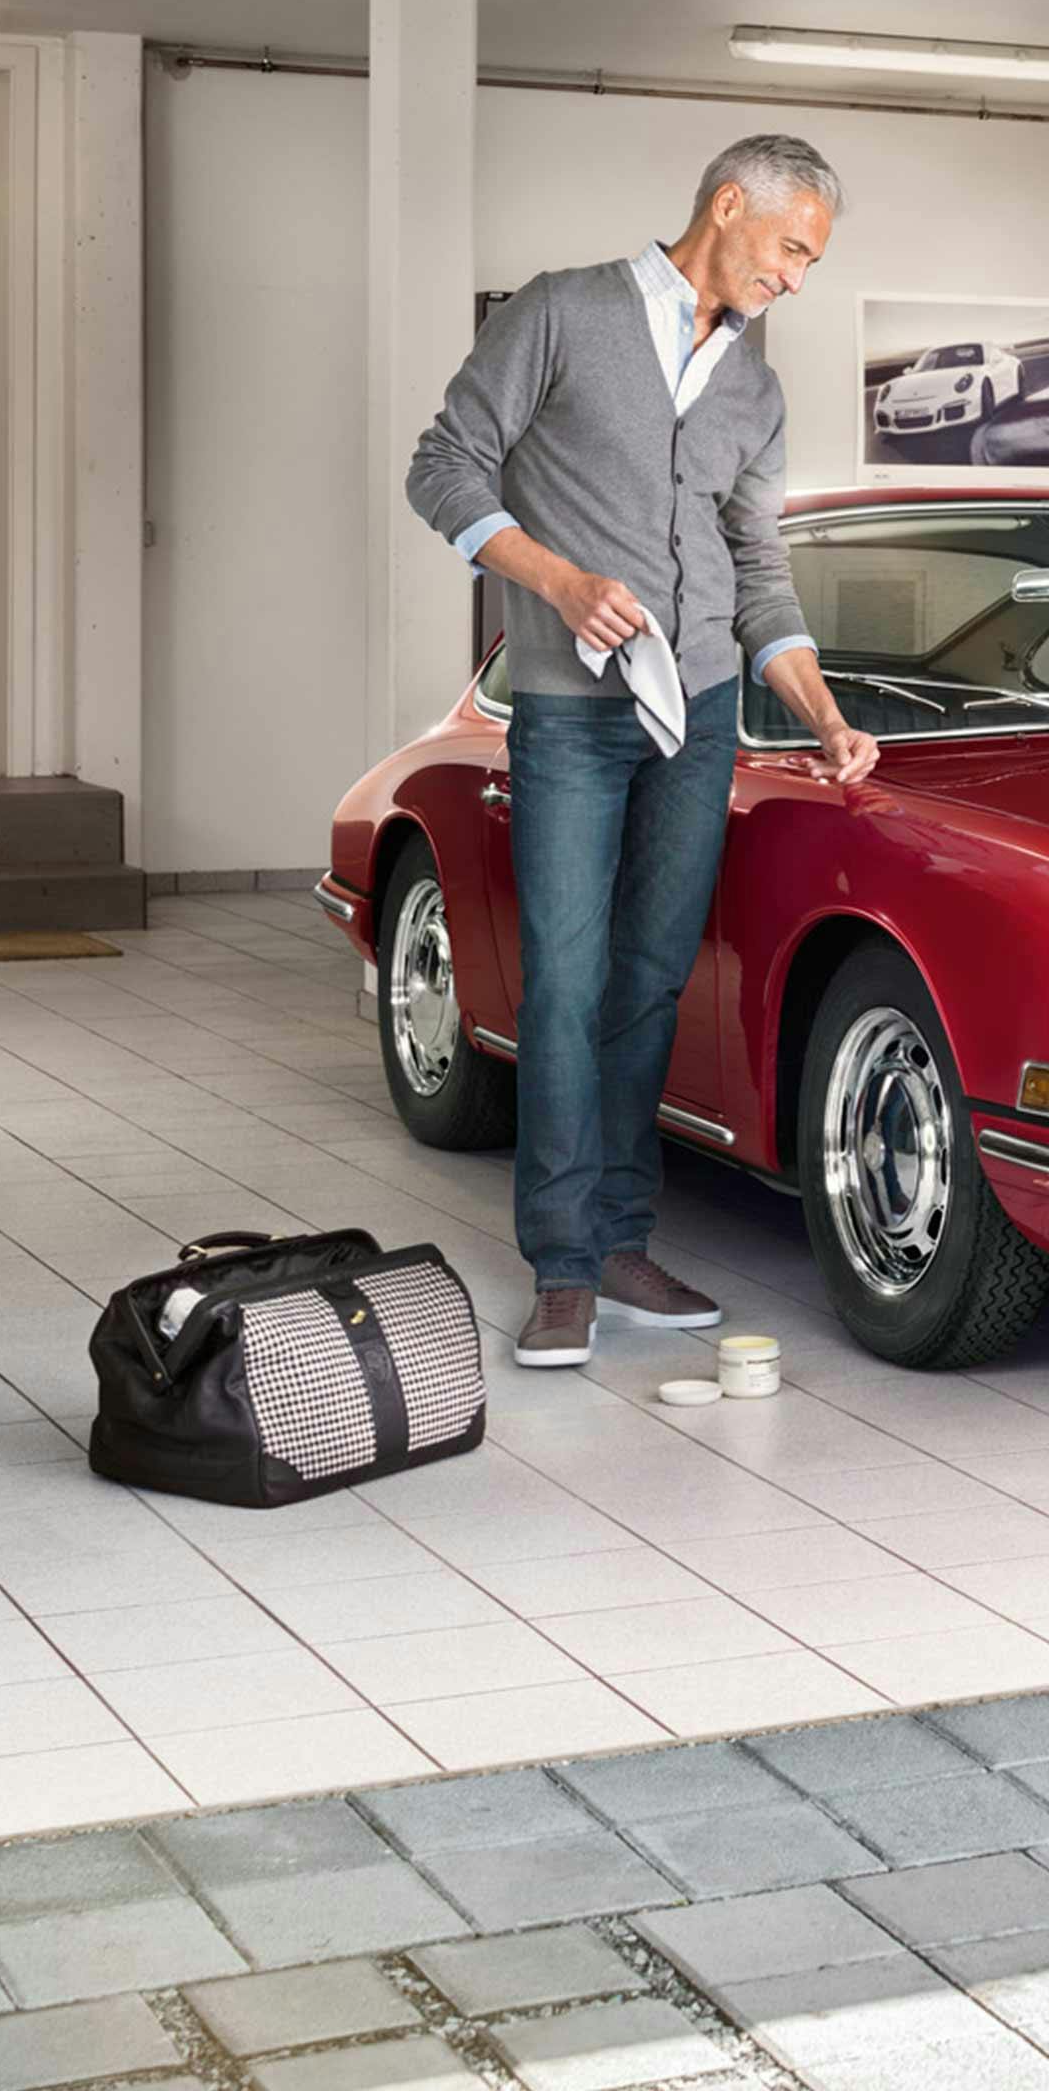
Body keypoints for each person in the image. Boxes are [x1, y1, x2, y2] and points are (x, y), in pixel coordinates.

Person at [405, 133, 883, 1368]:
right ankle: (561, 1266)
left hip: (705, 710)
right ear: (729, 207)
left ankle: (619, 1241)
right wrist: (558, 581)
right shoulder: (562, 315)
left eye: (811, 261)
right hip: (571, 704)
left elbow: (758, 577)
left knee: (651, 978)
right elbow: (441, 468)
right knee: (564, 981)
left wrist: (822, 713)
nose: (796, 277)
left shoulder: (756, 393)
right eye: (791, 248)